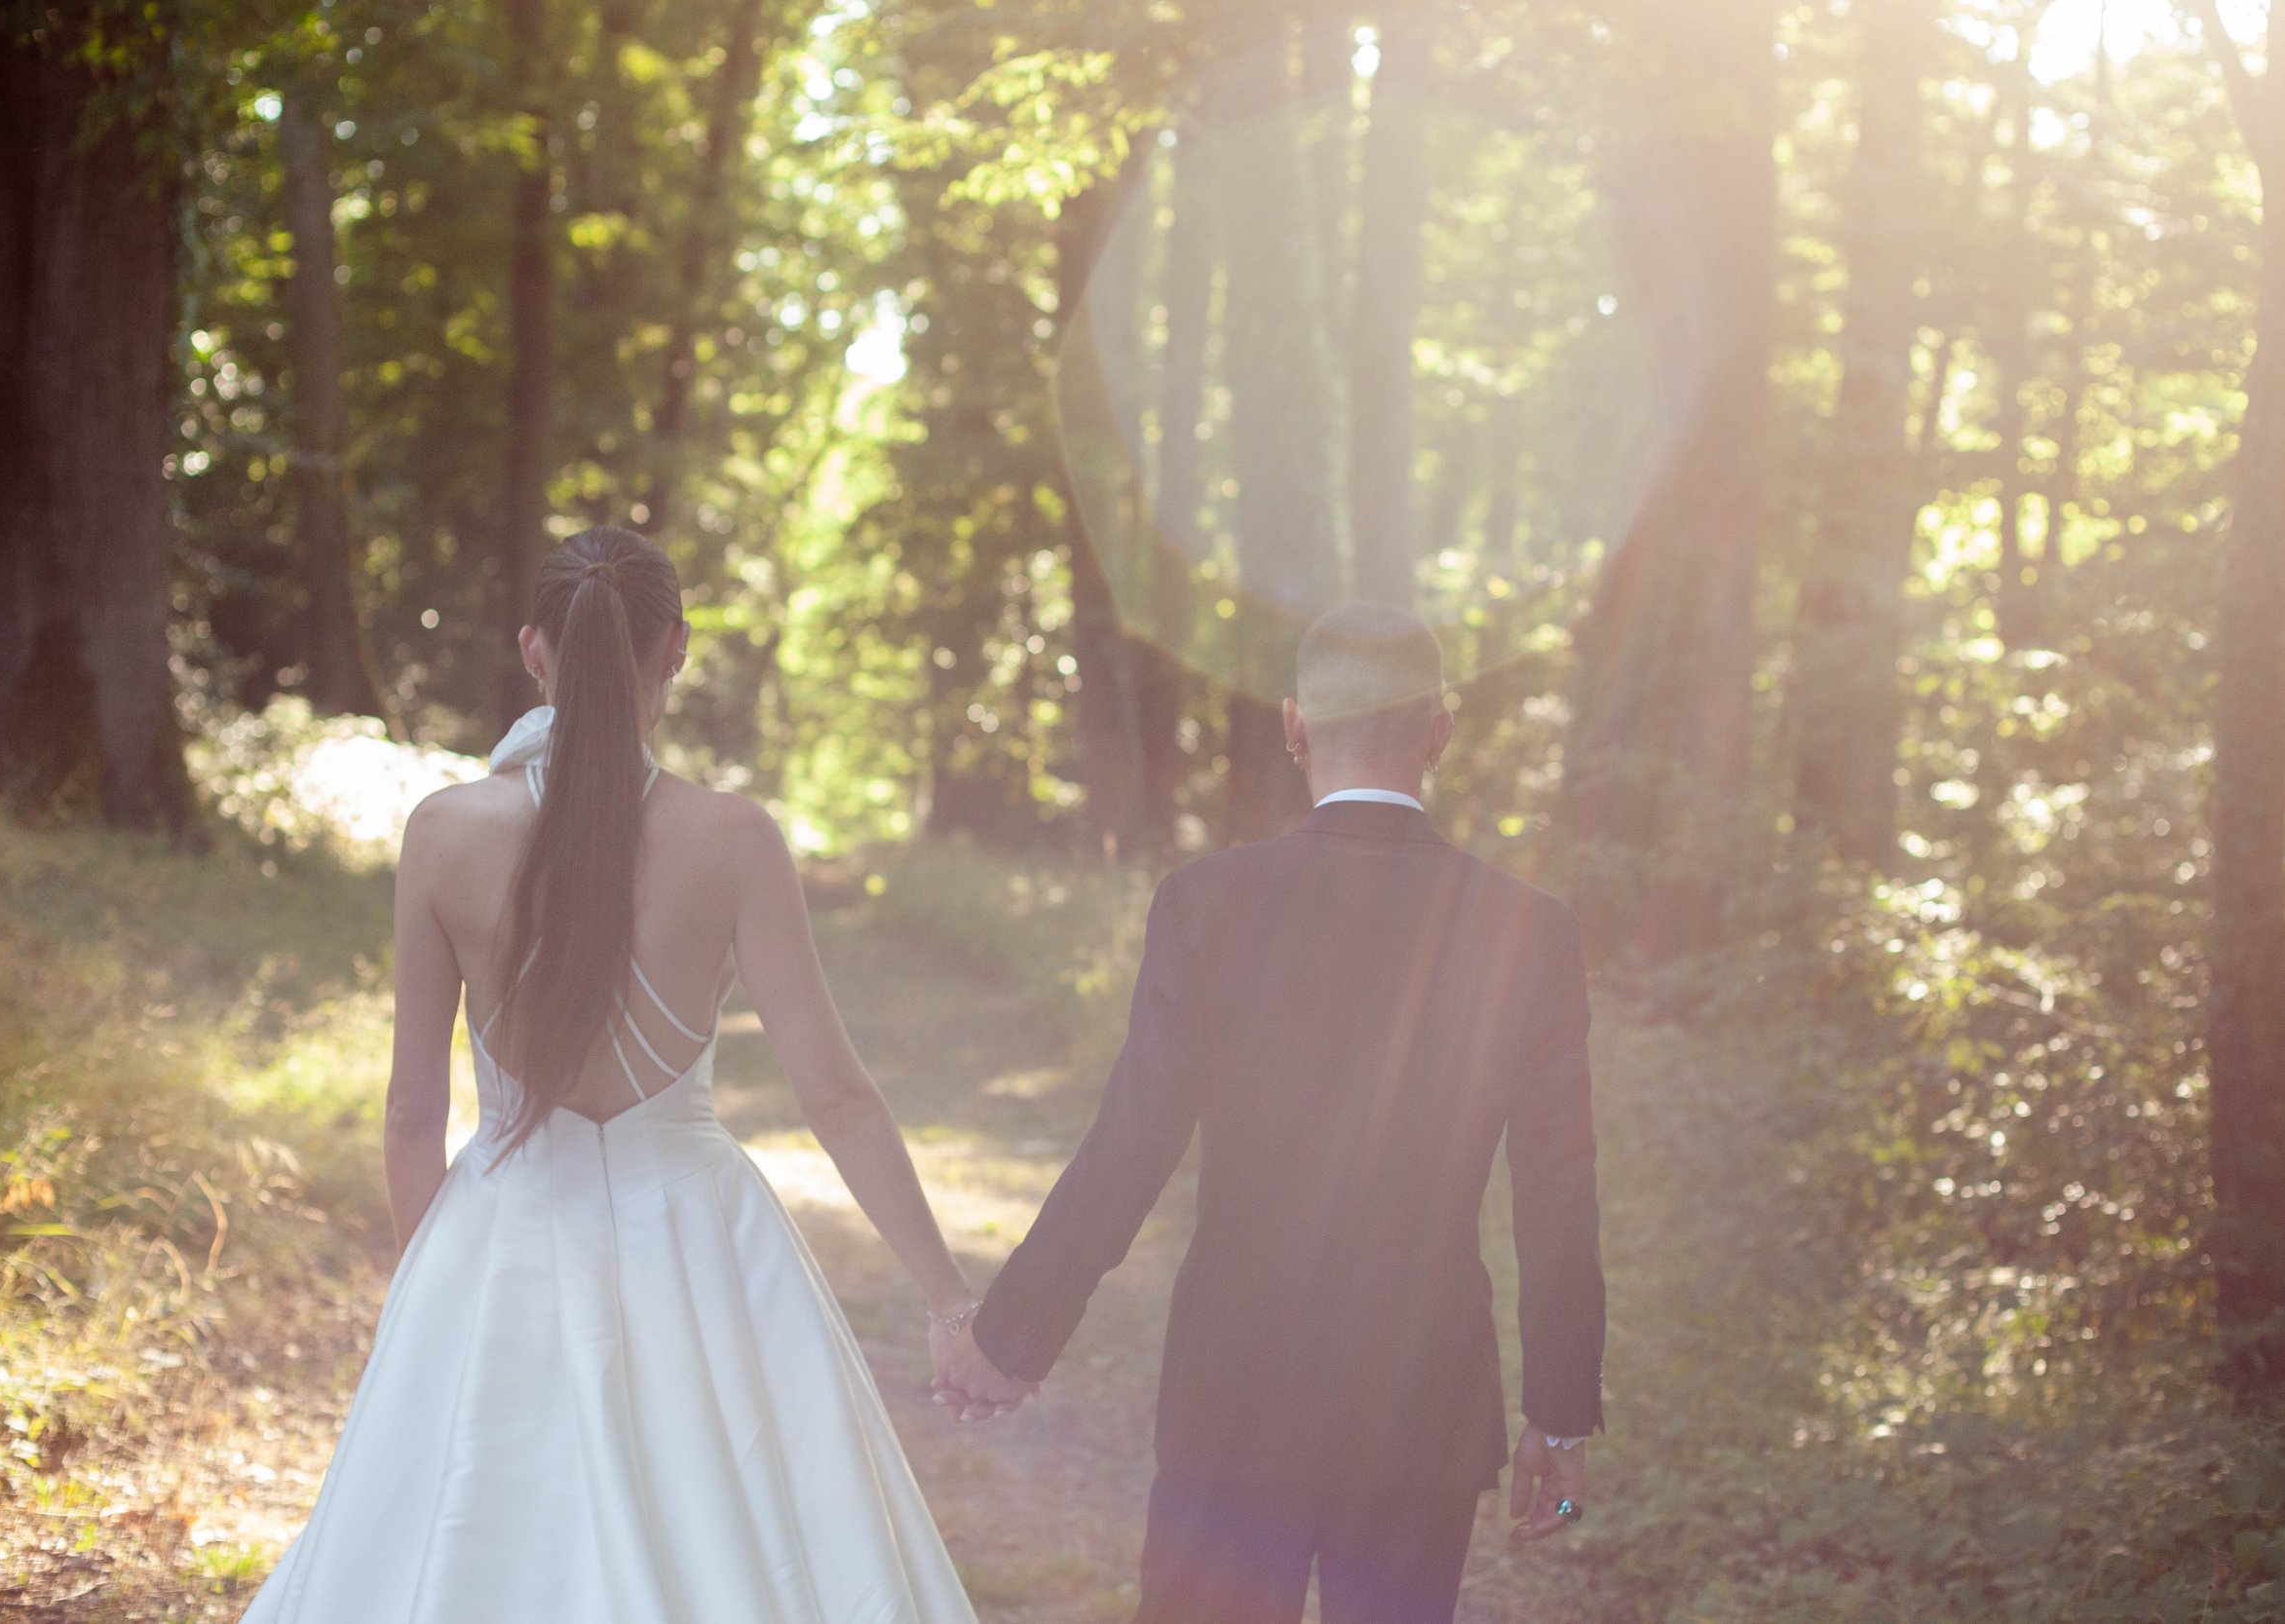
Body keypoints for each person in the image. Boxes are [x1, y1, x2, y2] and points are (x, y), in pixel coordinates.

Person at [242, 528, 984, 1624]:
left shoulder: (443, 833)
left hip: (501, 1227)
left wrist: (435, 1296)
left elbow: (411, 1111)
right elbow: (838, 1097)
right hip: (700, 1237)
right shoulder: (735, 840)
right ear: (675, 648)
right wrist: (950, 1300)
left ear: (533, 650)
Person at [938, 600, 1609, 1624]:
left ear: (1295, 724)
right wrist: (1558, 1414)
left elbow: (1134, 1143)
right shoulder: (1531, 930)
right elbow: (1557, 1192)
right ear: (1438, 731)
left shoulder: (1207, 901)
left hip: (1233, 1389)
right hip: (1420, 1404)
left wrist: (1011, 1337)